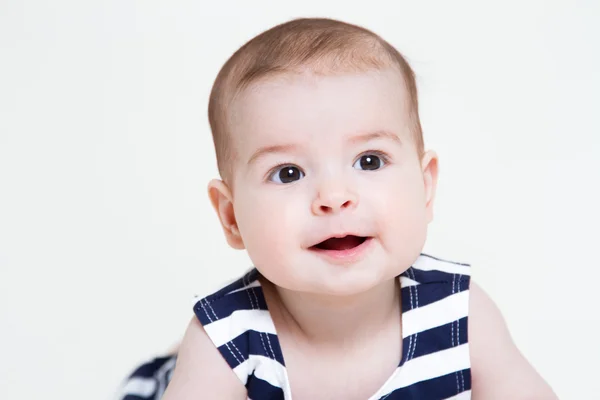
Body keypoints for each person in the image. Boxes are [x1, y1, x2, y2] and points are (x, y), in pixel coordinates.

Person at [119, 17, 558, 399]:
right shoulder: (226, 338)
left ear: (425, 188)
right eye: (288, 173)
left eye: (370, 161)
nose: (334, 196)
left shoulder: (457, 312)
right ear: (232, 217)